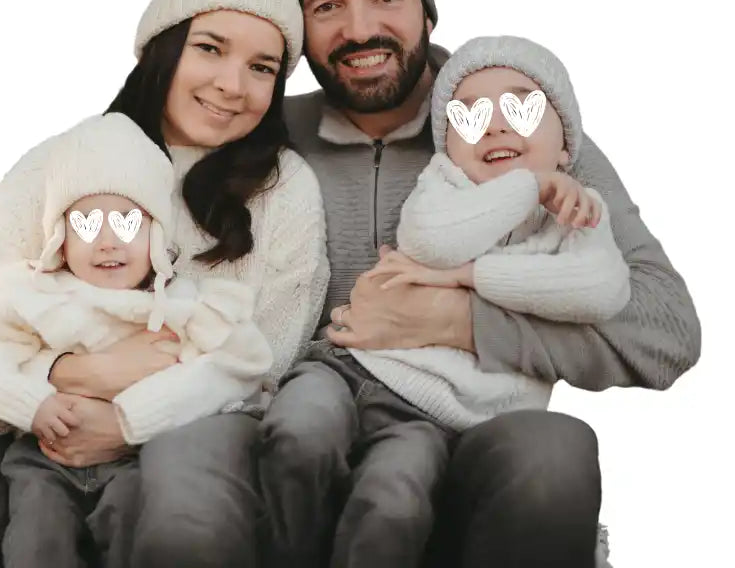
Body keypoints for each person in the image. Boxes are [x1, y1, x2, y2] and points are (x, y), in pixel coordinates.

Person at [259, 0, 701, 568]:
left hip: (475, 444)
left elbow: (666, 329)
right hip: (313, 451)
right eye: (326, 7)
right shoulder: (262, 136)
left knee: (553, 454)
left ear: (425, 7)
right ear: (298, 30)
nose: (359, 29)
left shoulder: (517, 117)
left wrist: (458, 322)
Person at [0, 0, 330, 568]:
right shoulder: (63, 165)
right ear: (165, 45)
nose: (230, 86)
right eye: (209, 48)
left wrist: (126, 420)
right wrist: (66, 376)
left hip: (186, 427)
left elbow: (263, 368)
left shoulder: (283, 189)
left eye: (262, 67)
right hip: (19, 409)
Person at [265, 33, 633, 566]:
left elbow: (600, 290)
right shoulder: (444, 184)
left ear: (566, 142)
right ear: (448, 144)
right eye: (469, 116)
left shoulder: (580, 213)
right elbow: (430, 242)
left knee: (390, 502)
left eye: (522, 109)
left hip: (430, 418)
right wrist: (528, 185)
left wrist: (466, 277)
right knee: (297, 431)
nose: (496, 125)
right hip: (349, 367)